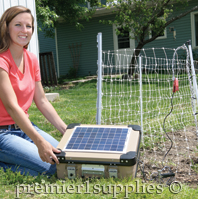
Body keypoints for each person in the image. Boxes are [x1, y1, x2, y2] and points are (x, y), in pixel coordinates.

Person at [0, 6, 67, 176]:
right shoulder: (1, 61)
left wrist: (65, 130)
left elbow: (42, 101)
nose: (24, 30)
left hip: (25, 127)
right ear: (6, 28)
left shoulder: (31, 59)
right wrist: (39, 142)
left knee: (64, 159)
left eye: (28, 26)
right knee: (52, 168)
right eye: (18, 25)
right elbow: (12, 107)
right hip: (2, 134)